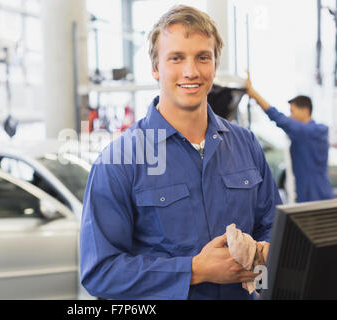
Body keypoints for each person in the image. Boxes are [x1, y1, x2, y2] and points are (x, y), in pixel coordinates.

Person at [80, 5, 282, 300]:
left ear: (214, 64)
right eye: (176, 58)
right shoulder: (119, 160)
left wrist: (264, 254)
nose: (191, 71)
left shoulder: (246, 145)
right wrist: (195, 269)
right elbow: (100, 271)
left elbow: (274, 228)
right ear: (155, 68)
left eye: (203, 57)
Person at [246, 75, 334, 203]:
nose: (290, 116)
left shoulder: (306, 132)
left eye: (292, 111)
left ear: (305, 111)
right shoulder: (316, 132)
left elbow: (279, 118)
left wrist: (253, 94)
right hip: (319, 192)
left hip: (312, 197)